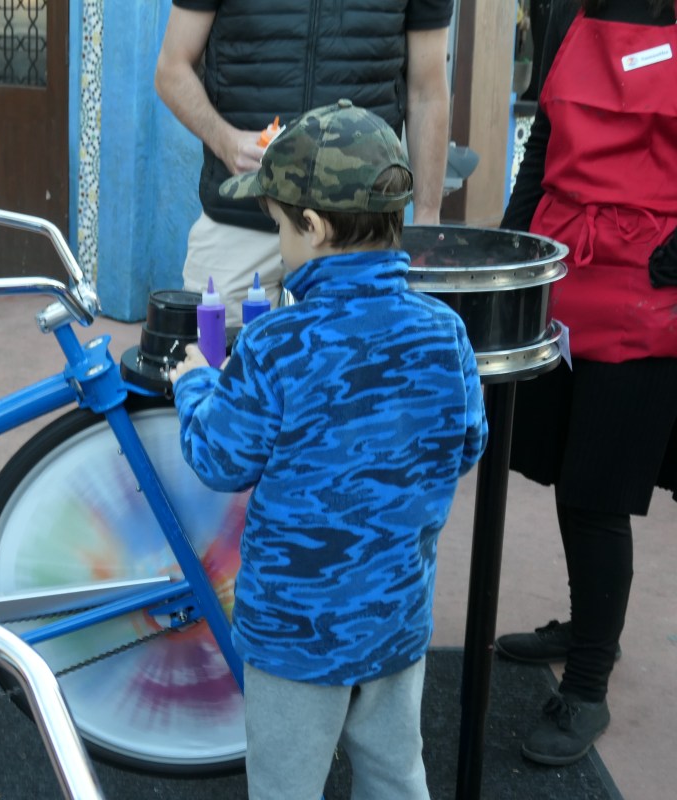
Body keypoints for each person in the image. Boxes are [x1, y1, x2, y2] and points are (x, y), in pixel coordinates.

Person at [170, 100, 488, 800]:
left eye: (280, 226)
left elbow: (220, 458)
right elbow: (468, 444)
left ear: (312, 227)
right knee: (396, 775)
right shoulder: (445, 331)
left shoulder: (275, 343)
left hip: (296, 631)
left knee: (286, 786)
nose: (281, 241)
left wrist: (194, 383)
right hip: (396, 614)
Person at [493, 0, 677, 767]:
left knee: (598, 494)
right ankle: (587, 627)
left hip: (651, 291)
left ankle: (589, 685)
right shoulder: (565, 10)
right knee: (569, 476)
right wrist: (509, 248)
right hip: (565, 275)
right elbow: (541, 143)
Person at [154, 0, 454, 325]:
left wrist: (427, 216)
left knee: (351, 355)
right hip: (241, 213)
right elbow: (172, 69)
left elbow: (427, 93)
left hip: (358, 226)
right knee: (219, 352)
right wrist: (225, 140)